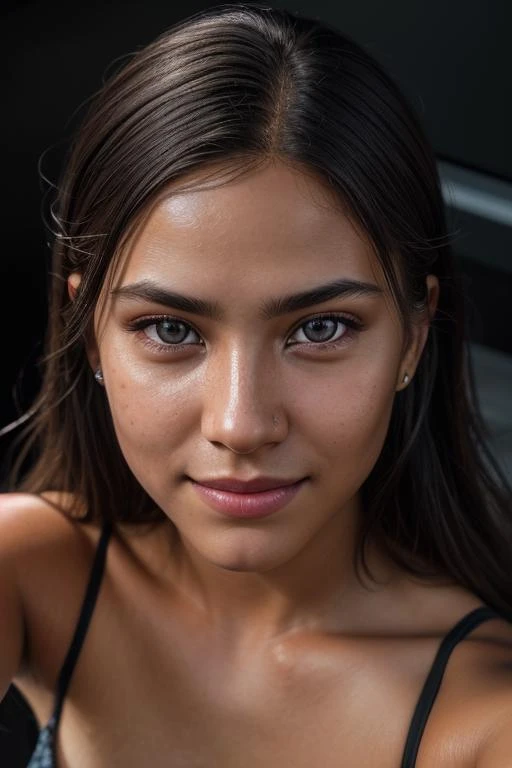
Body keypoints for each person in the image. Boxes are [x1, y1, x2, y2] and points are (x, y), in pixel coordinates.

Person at [1, 3, 511, 766]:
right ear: (89, 330)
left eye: (321, 328)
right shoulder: (30, 573)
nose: (240, 424)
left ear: (412, 335)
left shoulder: (484, 719)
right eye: (170, 330)